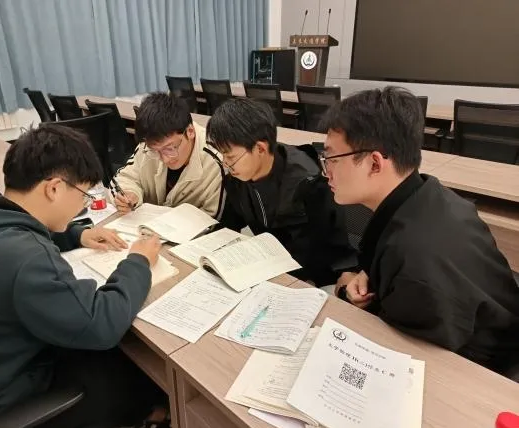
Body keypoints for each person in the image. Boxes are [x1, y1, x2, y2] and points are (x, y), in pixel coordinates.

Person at [0, 125, 173, 428]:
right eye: (83, 195)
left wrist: (76, 234)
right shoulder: (26, 259)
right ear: (54, 188)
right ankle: (158, 416)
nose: (81, 206)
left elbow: (17, 228)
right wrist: (138, 262)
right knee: (126, 363)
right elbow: (101, 323)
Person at [320, 86, 519, 377]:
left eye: (332, 159)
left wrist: (346, 291)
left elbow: (410, 359)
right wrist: (370, 274)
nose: (326, 171)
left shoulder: (414, 258)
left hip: (479, 375)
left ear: (374, 163)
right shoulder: (428, 193)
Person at [207, 98, 354, 286]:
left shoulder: (308, 183)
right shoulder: (238, 176)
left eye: (231, 157)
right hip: (268, 266)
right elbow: (230, 223)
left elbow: (325, 251)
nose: (226, 164)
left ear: (260, 148)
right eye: (223, 156)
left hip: (312, 278)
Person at [114, 92, 224, 218]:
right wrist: (130, 194)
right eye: (155, 151)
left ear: (190, 132)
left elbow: (211, 218)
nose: (165, 159)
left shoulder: (215, 159)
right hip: (146, 226)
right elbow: (125, 177)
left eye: (170, 149)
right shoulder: (148, 145)